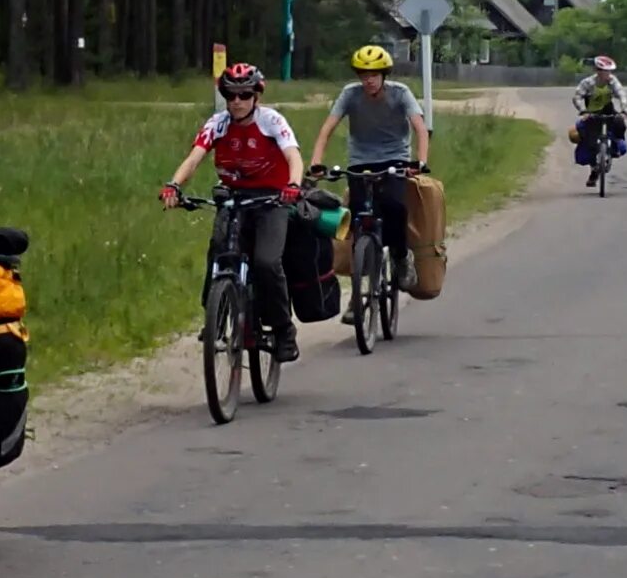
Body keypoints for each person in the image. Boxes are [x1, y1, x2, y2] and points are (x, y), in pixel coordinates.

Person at [158, 61, 305, 360]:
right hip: (234, 197)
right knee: (218, 250)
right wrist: (173, 185)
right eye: (231, 96)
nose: (237, 102)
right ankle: (214, 317)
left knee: (266, 262)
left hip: (273, 199)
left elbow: (293, 157)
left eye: (244, 95)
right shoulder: (218, 123)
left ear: (256, 97)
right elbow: (194, 158)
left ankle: (282, 330)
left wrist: (293, 185)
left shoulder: (272, 121)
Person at [306, 43, 430, 306]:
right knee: (357, 222)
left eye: (373, 75)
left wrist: (420, 161)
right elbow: (327, 128)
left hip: (395, 159)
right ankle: (358, 292)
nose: (368, 80)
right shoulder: (350, 95)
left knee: (395, 208)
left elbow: (419, 127)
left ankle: (400, 257)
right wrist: (316, 163)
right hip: (361, 161)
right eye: (363, 75)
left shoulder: (400, 93)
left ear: (384, 75)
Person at [574, 52, 627, 162]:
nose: (607, 74)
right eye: (604, 71)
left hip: (608, 110)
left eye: (608, 71)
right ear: (597, 70)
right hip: (591, 112)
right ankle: (593, 163)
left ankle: (616, 146)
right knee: (587, 136)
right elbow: (577, 97)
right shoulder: (588, 82)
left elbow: (621, 93)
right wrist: (583, 111)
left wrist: (624, 110)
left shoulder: (613, 81)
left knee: (620, 123)